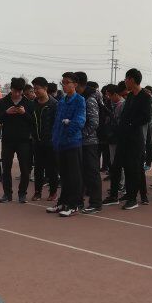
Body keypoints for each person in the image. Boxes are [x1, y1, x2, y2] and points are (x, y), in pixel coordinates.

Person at [47, 72, 86, 216]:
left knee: (74, 175)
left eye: (66, 82)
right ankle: (63, 202)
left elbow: (80, 121)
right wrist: (55, 138)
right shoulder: (62, 101)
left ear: (75, 84)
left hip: (73, 143)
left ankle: (75, 204)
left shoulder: (80, 100)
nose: (63, 85)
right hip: (60, 143)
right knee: (63, 175)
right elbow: (57, 122)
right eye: (62, 82)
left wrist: (68, 131)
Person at [114, 69, 152, 211]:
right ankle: (126, 194)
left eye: (126, 79)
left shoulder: (145, 97)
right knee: (123, 166)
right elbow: (125, 115)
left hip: (136, 138)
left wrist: (131, 124)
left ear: (132, 80)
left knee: (134, 168)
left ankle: (133, 198)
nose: (125, 81)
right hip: (124, 137)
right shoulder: (130, 96)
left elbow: (146, 117)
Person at [0, 77, 35, 203]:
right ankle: (7, 194)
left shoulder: (29, 103)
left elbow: (33, 122)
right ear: (11, 89)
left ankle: (22, 193)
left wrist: (24, 113)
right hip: (8, 139)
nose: (17, 94)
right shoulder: (3, 102)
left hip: (24, 140)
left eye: (20, 91)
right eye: (15, 91)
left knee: (25, 168)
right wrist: (6, 113)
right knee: (6, 168)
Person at [76, 72, 103, 214]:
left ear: (77, 83)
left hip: (89, 142)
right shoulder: (78, 98)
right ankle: (78, 201)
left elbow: (94, 123)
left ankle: (96, 203)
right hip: (79, 142)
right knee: (79, 172)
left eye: (68, 82)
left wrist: (80, 135)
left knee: (92, 172)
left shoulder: (90, 100)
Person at [31, 77, 58, 201]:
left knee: (51, 169)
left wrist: (53, 138)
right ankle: (37, 192)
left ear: (45, 88)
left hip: (51, 142)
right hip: (37, 141)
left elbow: (57, 124)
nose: (35, 91)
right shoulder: (33, 104)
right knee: (38, 168)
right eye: (34, 88)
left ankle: (53, 192)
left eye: (37, 88)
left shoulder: (54, 104)